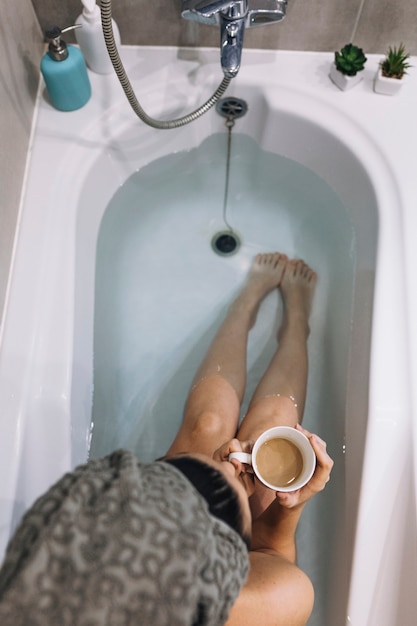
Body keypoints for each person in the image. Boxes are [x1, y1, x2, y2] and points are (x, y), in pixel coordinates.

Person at [0, 253, 333, 626]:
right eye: (236, 477)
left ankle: (243, 307)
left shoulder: (48, 586)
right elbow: (271, 554)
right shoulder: (275, 600)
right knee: (271, 439)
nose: (235, 458)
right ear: (227, 568)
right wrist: (286, 510)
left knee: (206, 426)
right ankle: (296, 327)